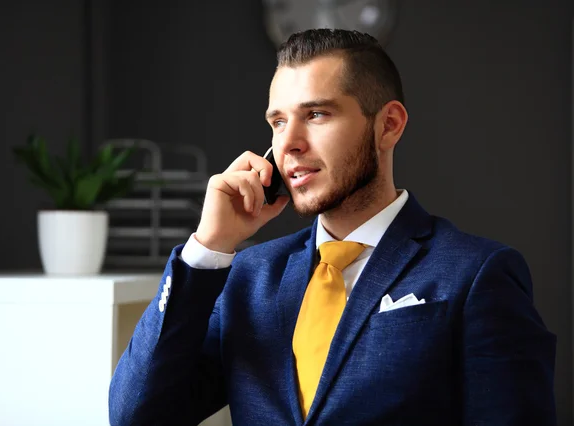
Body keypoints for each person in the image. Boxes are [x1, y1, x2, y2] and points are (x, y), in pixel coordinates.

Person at [108, 29, 557, 426]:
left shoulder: (478, 274)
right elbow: (137, 415)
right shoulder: (250, 277)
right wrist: (209, 247)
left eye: (317, 114)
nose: (288, 144)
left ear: (389, 125)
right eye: (278, 122)